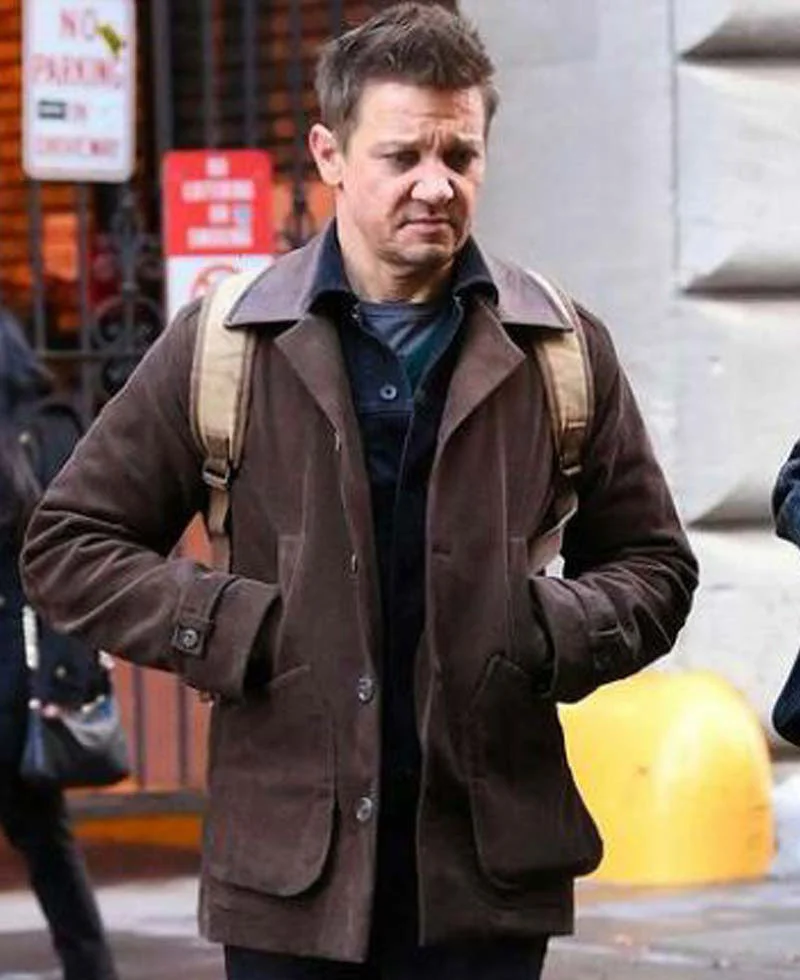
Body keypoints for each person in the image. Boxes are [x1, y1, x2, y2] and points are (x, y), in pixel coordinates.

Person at [21, 4, 698, 978]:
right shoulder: (228, 342)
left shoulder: (559, 347)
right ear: (329, 155)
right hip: (287, 875)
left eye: (459, 155)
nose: (436, 183)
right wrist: (234, 625)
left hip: (485, 873)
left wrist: (547, 630)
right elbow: (70, 544)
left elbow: (655, 565)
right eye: (402, 155)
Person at [0, 307, 118, 980]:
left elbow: (74, 557)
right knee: (45, 837)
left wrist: (65, 675)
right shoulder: (51, 427)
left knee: (44, 834)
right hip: (21, 674)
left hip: (16, 673)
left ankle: (91, 965)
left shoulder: (45, 431)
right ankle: (90, 966)